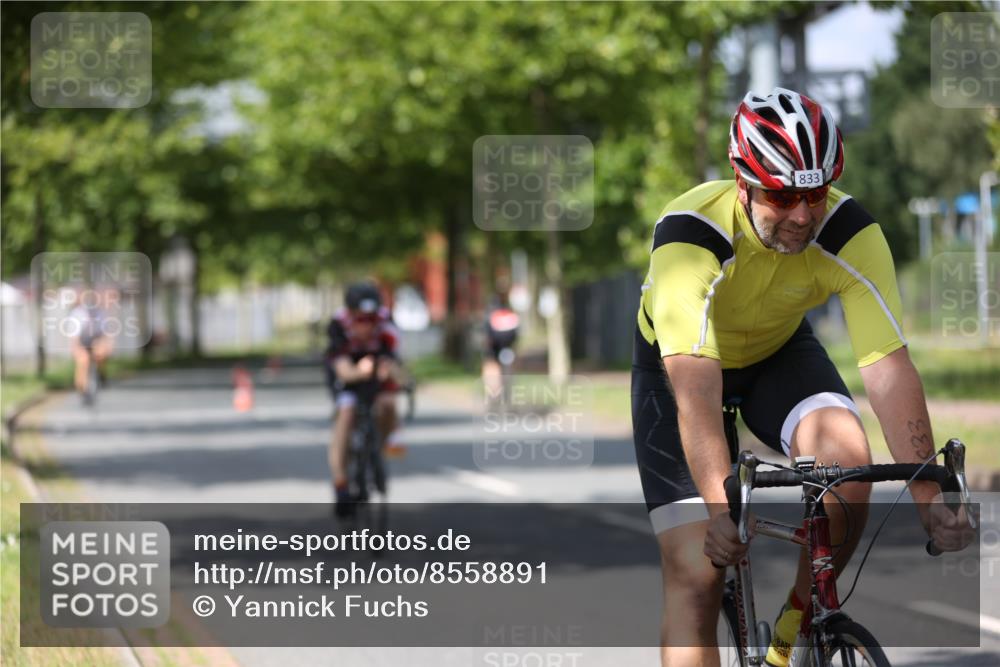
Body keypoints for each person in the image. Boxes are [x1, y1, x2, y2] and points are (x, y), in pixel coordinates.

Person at [631, 88, 975, 667]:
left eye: (814, 193)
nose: (802, 215)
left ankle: (791, 635)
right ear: (742, 182)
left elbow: (888, 369)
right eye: (782, 194)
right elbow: (696, 392)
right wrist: (720, 509)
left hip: (778, 351)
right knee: (697, 572)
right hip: (682, 372)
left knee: (848, 465)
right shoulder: (690, 239)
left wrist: (927, 496)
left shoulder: (850, 233)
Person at [325, 282, 402, 516]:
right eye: (361, 319)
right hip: (347, 376)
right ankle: (341, 483)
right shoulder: (338, 326)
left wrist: (391, 372)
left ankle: (378, 447)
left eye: (371, 319)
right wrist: (359, 372)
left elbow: (396, 365)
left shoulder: (386, 324)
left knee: (388, 403)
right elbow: (342, 370)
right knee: (347, 413)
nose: (367, 325)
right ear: (351, 314)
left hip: (375, 374)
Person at [68, 291, 113, 401]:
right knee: (83, 361)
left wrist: (106, 346)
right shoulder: (77, 315)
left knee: (100, 353)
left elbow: (105, 334)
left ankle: (101, 375)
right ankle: (82, 388)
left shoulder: (100, 313)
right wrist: (78, 350)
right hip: (80, 341)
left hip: (95, 339)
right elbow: (74, 338)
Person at [481, 293, 520, 403]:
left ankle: (492, 393)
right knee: (510, 367)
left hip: (494, 348)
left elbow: (487, 334)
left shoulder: (490, 314)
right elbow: (516, 333)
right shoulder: (510, 314)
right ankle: (509, 390)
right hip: (508, 347)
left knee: (490, 366)